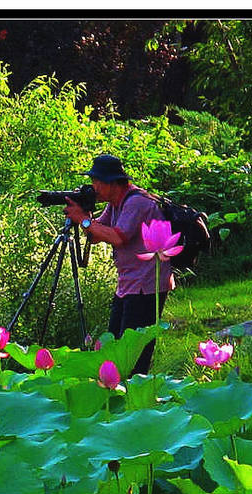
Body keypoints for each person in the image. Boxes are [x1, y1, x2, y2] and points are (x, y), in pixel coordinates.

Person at [62, 154, 174, 375]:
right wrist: (85, 216)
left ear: (112, 183)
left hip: (146, 285)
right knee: (114, 343)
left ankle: (134, 395)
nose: (94, 187)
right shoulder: (115, 205)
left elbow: (117, 237)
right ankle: (119, 391)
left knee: (134, 352)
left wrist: (83, 220)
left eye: (97, 182)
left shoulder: (136, 202)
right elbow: (95, 235)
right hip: (129, 285)